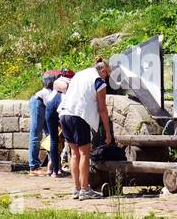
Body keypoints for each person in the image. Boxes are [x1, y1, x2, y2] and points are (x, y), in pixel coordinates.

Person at [54, 58, 114, 200]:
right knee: (85, 154)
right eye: (107, 75)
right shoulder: (99, 81)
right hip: (79, 116)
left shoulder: (80, 74)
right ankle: (85, 189)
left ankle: (76, 188)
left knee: (75, 154)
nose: (107, 78)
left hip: (64, 114)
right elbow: (102, 109)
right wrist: (107, 132)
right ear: (103, 71)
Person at [27, 73, 63, 177]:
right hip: (38, 103)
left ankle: (52, 166)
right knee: (36, 134)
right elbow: (52, 108)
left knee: (51, 136)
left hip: (44, 106)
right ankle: (33, 167)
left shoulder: (55, 92)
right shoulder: (49, 93)